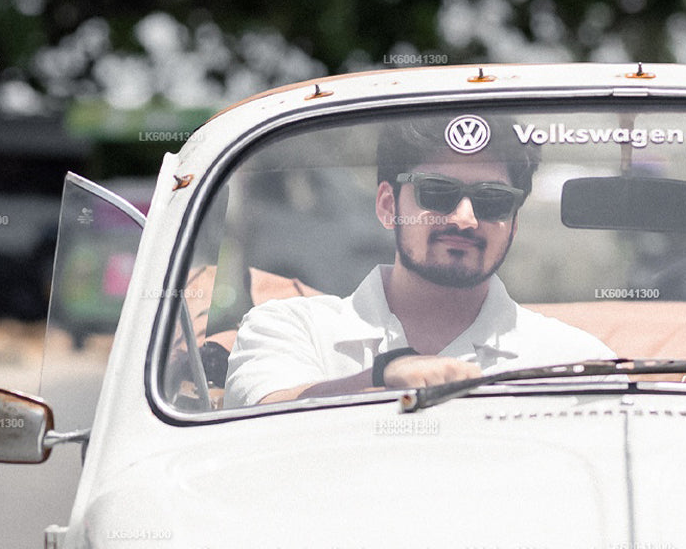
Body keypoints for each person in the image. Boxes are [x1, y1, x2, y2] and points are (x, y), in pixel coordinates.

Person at [223, 114, 614, 407]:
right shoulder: (290, 328)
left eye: (493, 200)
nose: (464, 218)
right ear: (387, 205)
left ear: (514, 224)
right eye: (437, 193)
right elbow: (262, 417)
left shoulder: (576, 361)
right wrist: (380, 380)